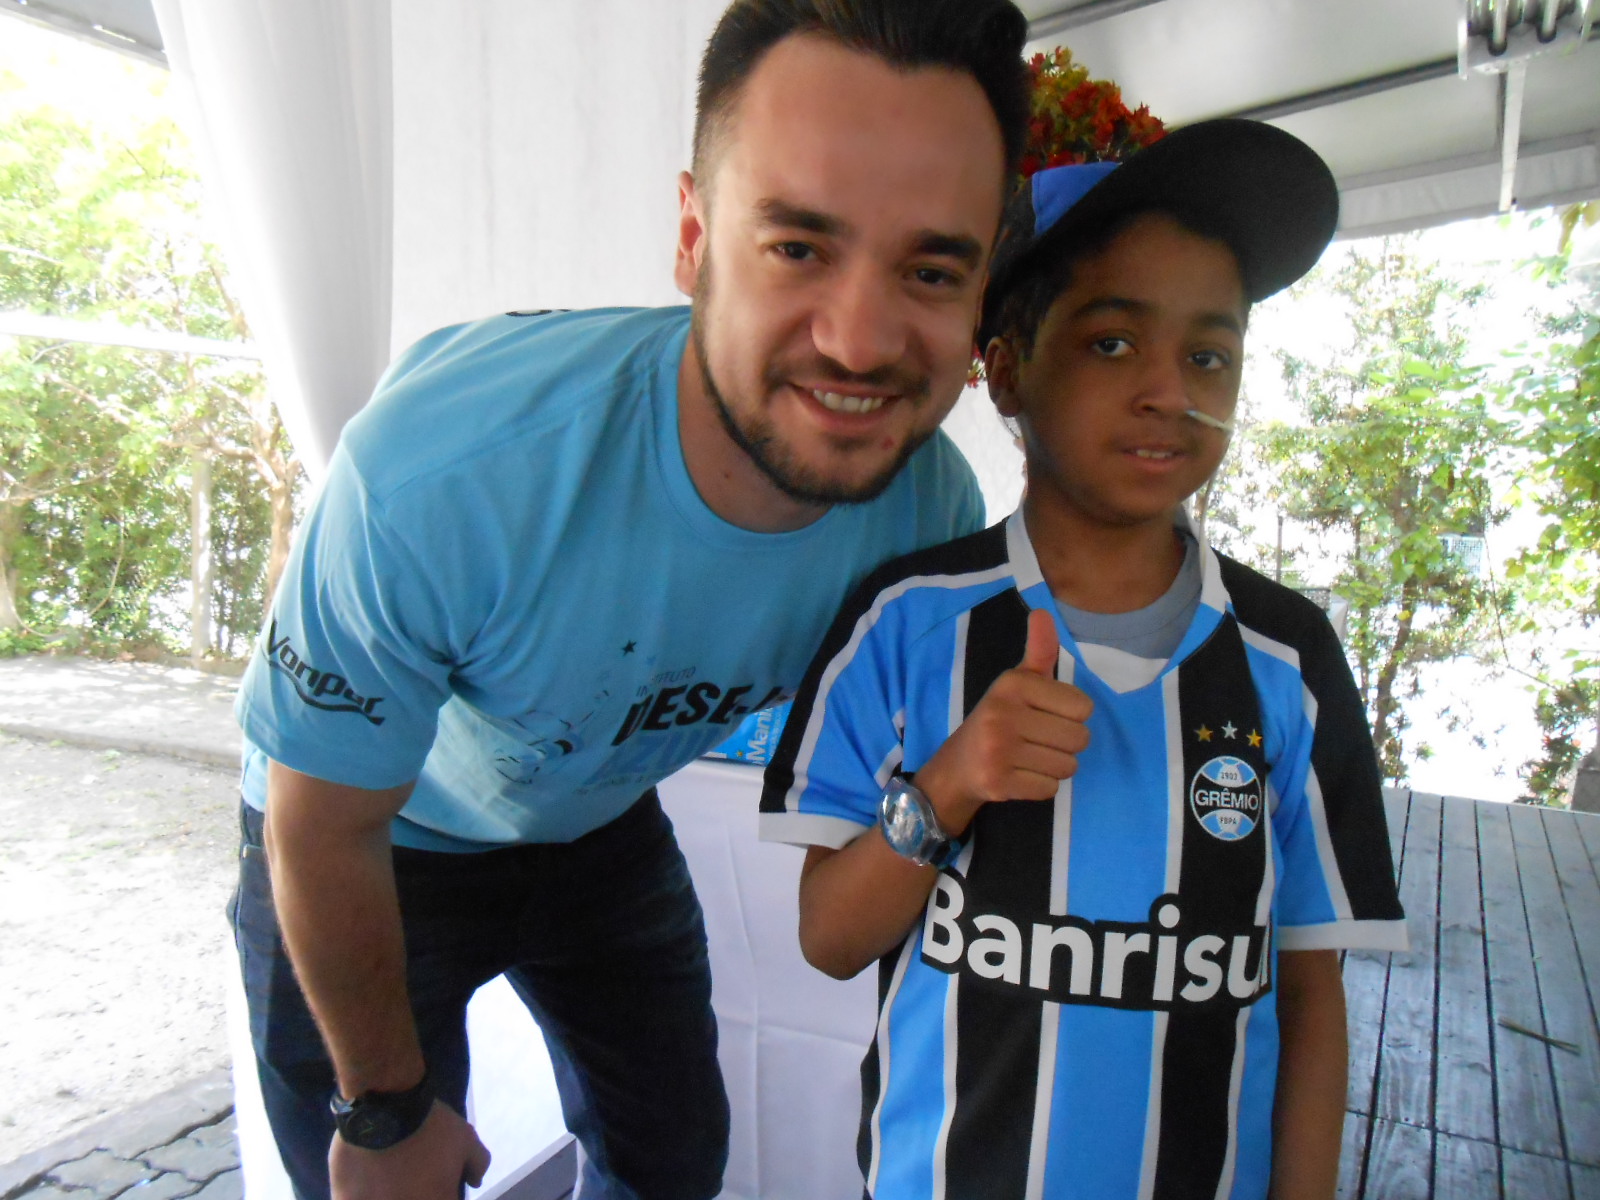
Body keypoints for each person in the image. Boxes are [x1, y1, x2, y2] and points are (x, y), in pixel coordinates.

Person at [230, 2, 1032, 1199]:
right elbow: (318, 821)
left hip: (595, 825)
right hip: (374, 839)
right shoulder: (448, 469)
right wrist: (389, 1107)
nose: (860, 343)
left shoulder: (923, 508)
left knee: (670, 1156)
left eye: (928, 267)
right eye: (799, 247)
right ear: (694, 237)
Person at [760, 119, 1410, 1199]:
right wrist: (951, 784)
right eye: (1112, 342)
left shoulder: (1286, 658)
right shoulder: (906, 621)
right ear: (1006, 373)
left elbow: (1308, 993)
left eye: (1207, 354)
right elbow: (828, 938)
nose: (1167, 389)